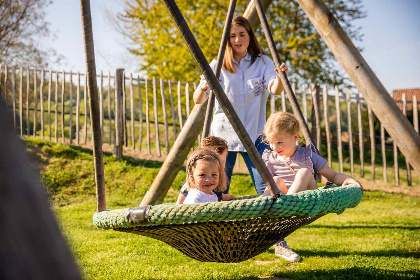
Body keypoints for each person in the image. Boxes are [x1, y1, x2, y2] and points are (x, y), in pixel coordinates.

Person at [193, 15, 296, 261]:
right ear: (226, 40)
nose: (237, 39)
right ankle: (216, 240)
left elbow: (274, 89)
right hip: (222, 138)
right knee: (215, 189)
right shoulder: (217, 64)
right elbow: (198, 99)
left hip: (255, 136)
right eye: (232, 35)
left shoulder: (262, 62)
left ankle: (278, 242)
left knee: (270, 189)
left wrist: (281, 78)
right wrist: (205, 86)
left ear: (250, 37)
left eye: (242, 34)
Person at [261, 111, 364, 261]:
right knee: (275, 180)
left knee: (303, 172)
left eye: (279, 142)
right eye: (271, 142)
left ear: (295, 137)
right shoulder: (271, 158)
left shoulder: (306, 155)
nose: (274, 147)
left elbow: (333, 176)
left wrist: (349, 179)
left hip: (307, 199)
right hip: (283, 203)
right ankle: (261, 218)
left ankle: (287, 205)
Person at [176, 136, 234, 204]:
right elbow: (180, 201)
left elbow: (215, 194)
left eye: (222, 162)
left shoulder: (216, 176)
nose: (218, 167)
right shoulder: (193, 187)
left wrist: (224, 197)